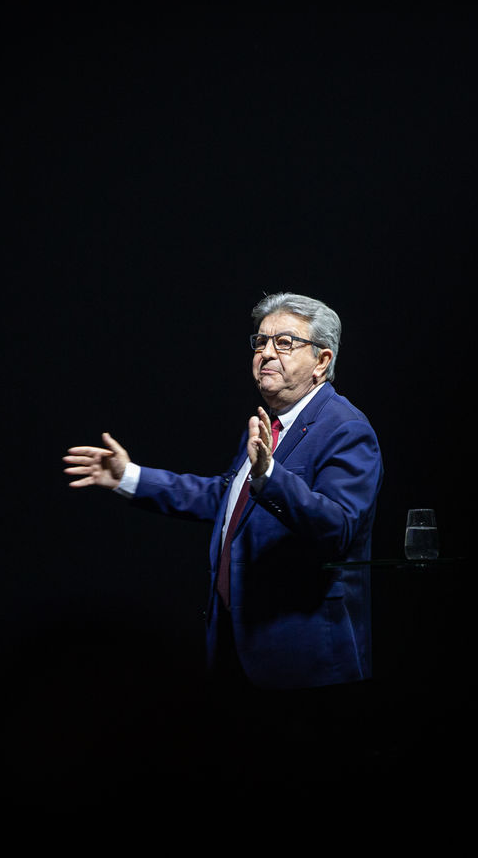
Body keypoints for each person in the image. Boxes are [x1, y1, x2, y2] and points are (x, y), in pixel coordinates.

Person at [63, 292, 383, 694]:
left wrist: (269, 474)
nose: (266, 353)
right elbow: (228, 499)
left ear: (322, 361)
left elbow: (339, 527)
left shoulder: (346, 428)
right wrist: (129, 476)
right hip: (236, 651)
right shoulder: (271, 425)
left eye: (284, 342)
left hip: (304, 664)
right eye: (260, 342)